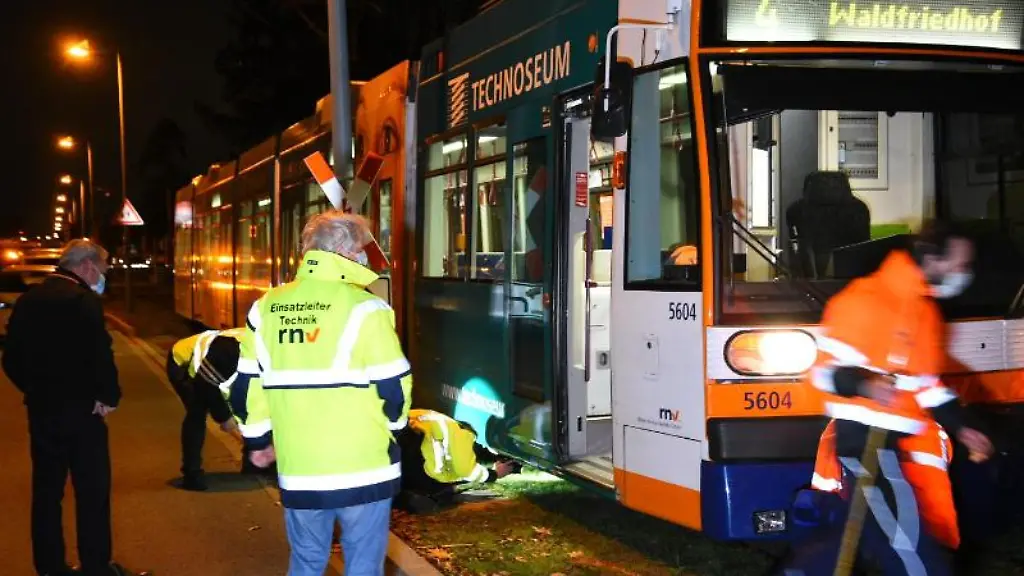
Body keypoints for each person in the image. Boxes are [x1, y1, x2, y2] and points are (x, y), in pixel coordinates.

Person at [779, 221, 994, 575]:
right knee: (912, 550)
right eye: (958, 263)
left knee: (852, 540)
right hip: (864, 445)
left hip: (891, 445)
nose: (963, 273)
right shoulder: (863, 300)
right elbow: (822, 372)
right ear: (930, 257)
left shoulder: (926, 313)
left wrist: (963, 427)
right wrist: (866, 385)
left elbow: (926, 385)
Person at [242, 211, 412, 576]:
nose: (365, 257)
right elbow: (394, 385)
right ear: (344, 251)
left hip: (300, 468)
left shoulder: (266, 307)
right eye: (362, 249)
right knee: (364, 566)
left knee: (305, 561)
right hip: (364, 468)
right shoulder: (367, 308)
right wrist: (394, 428)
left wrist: (258, 440)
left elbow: (246, 383)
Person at [3, 240, 148, 576]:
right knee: (92, 491)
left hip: (42, 412)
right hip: (83, 414)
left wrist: (37, 390)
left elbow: (10, 359)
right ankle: (96, 566)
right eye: (103, 268)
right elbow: (100, 356)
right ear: (86, 266)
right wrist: (108, 397)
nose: (104, 275)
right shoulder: (83, 302)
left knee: (46, 493)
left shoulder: (29, 300)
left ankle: (50, 567)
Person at [165, 328, 250, 491]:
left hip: (214, 367)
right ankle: (191, 474)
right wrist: (224, 417)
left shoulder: (264, 349)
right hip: (182, 362)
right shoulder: (229, 351)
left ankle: (253, 461)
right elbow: (207, 385)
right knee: (197, 412)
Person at [394, 409, 517, 513]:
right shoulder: (463, 433)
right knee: (452, 478)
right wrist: (495, 474)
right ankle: (410, 500)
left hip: (397, 448)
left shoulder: (439, 421)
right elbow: (466, 470)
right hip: (418, 467)